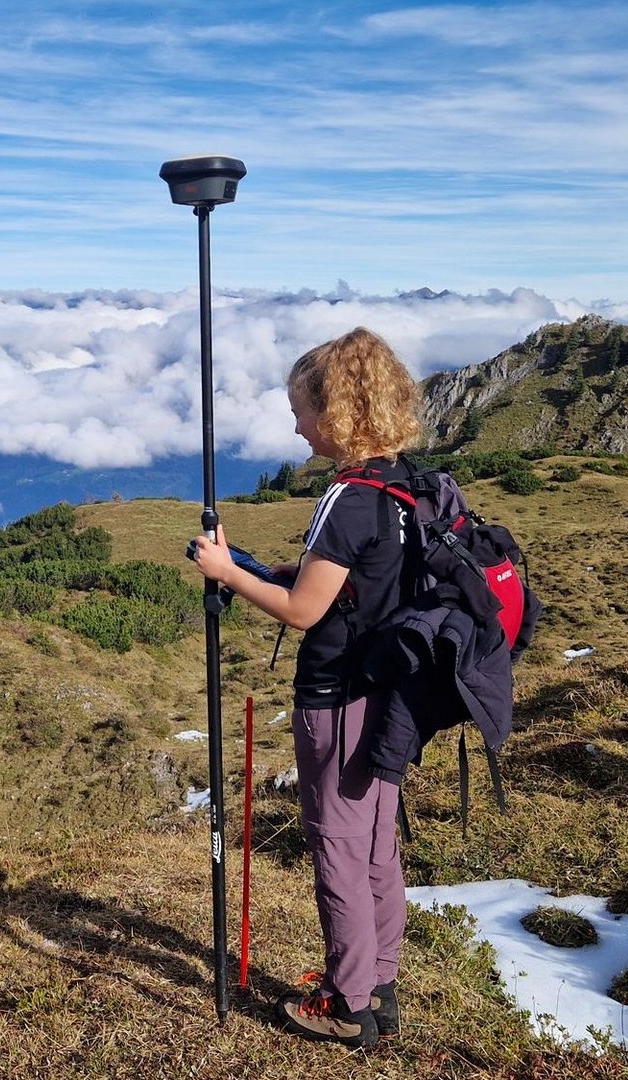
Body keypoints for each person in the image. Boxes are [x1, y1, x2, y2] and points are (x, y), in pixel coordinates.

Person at [187, 326, 419, 1048]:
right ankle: (377, 980)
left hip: (340, 697)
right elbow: (362, 586)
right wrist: (269, 570)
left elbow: (304, 611)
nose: (294, 425)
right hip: (391, 691)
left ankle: (349, 1004)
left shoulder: (347, 497)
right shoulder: (404, 481)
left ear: (338, 412)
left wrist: (228, 575)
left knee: (340, 851)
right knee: (376, 843)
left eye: (302, 411)